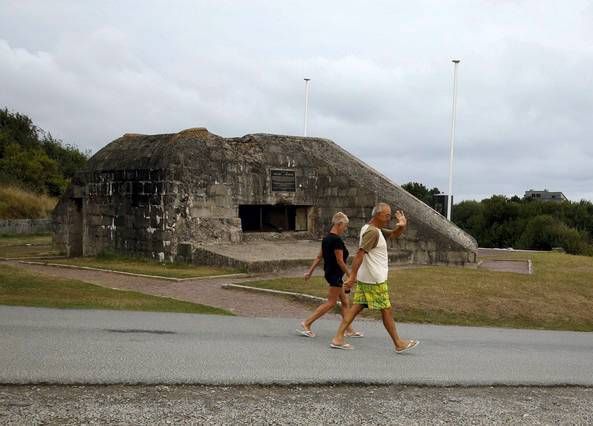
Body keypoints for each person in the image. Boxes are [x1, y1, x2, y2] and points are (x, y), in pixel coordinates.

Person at [330, 203, 419, 354]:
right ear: (377, 215)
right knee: (386, 310)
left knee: (356, 308)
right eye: (386, 215)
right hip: (375, 280)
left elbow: (393, 234)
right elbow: (360, 254)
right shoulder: (373, 233)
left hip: (368, 278)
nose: (389, 218)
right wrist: (352, 276)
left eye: (390, 215)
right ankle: (398, 343)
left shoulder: (373, 229)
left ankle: (338, 338)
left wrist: (402, 225)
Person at [296, 212, 363, 338]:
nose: (345, 228)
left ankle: (349, 330)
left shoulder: (326, 239)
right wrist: (351, 276)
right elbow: (340, 261)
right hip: (335, 275)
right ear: (340, 224)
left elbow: (318, 257)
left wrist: (309, 272)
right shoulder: (336, 240)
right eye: (345, 226)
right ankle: (306, 323)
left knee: (344, 302)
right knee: (331, 303)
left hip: (330, 273)